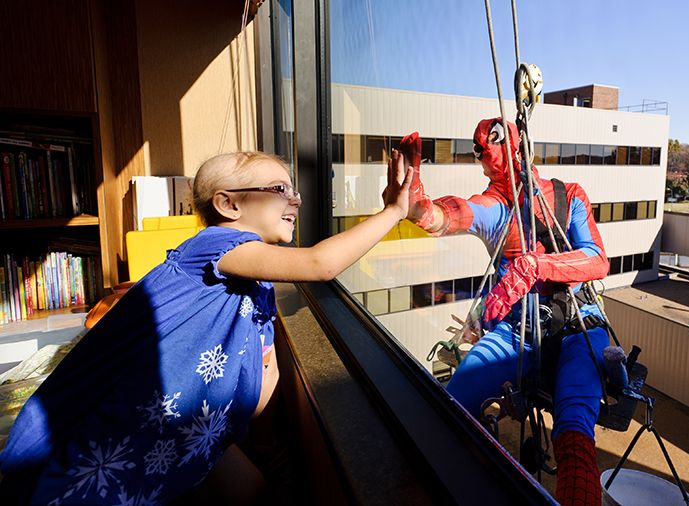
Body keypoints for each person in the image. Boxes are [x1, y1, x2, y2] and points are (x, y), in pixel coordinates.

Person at [0, 150, 412, 505]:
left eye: (294, 190)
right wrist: (393, 211)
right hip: (141, 420)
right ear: (229, 205)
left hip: (188, 422)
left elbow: (264, 362)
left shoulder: (256, 278)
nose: (297, 199)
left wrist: (271, 445)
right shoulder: (214, 244)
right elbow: (319, 265)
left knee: (251, 490)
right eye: (280, 189)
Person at [400, 118, 609, 505]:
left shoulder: (566, 197)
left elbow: (597, 261)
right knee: (456, 403)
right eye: (480, 152)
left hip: (579, 322)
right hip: (520, 330)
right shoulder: (496, 207)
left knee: (575, 428)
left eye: (487, 148)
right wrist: (418, 206)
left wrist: (538, 266)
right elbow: (452, 214)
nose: (484, 157)